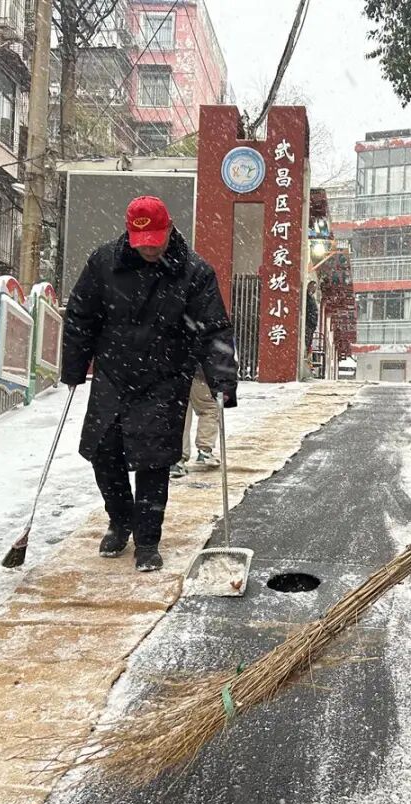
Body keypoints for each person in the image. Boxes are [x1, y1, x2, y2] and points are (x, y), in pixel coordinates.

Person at [61, 196, 237, 572]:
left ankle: (147, 540)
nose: (151, 248)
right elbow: (80, 315)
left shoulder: (194, 272)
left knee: (153, 461)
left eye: (156, 239)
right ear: (129, 233)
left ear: (170, 228)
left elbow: (214, 329)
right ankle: (120, 519)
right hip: (113, 374)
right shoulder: (103, 263)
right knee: (103, 452)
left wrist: (222, 378)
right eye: (143, 242)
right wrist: (74, 366)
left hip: (165, 378)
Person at [172, 366, 220, 479]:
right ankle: (205, 450)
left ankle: (177, 459)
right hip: (198, 373)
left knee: (181, 413)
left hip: (174, 373)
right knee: (209, 408)